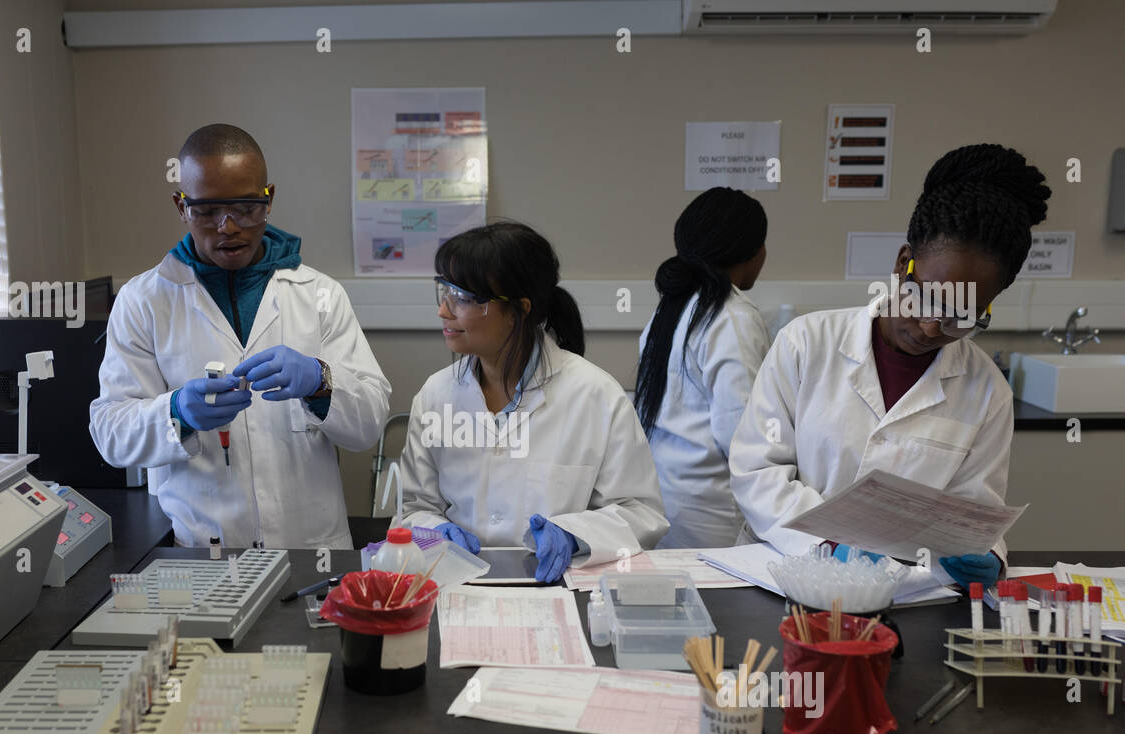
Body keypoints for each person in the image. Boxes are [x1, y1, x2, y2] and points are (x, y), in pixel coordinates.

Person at [729, 144, 1051, 588]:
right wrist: (826, 544)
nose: (931, 326)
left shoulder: (986, 389)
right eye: (927, 297)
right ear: (903, 264)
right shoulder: (806, 343)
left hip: (906, 591)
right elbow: (758, 470)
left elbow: (974, 508)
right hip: (784, 575)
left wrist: (986, 553)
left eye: (962, 315)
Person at [90, 124, 390, 550]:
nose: (228, 227)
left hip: (312, 548)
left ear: (269, 199)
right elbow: (110, 434)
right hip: (203, 547)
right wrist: (176, 411)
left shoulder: (319, 294)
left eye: (246, 208)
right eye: (207, 211)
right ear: (181, 206)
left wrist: (321, 382)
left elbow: (370, 423)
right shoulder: (144, 301)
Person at [395, 221, 668, 583]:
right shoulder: (435, 395)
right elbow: (414, 508)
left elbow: (642, 512)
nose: (444, 311)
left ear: (518, 310)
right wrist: (433, 532)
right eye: (443, 291)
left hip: (557, 587)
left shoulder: (595, 395)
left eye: (462, 298)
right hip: (457, 583)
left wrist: (574, 535)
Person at [636, 187, 769, 549]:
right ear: (754, 252)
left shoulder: (671, 308)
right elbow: (741, 435)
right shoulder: (732, 316)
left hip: (665, 498)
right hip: (713, 515)